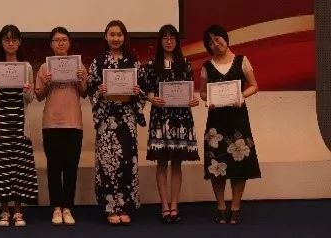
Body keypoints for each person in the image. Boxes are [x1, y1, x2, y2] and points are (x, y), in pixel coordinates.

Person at [86, 20, 145, 226]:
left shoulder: (133, 61)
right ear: (106, 36)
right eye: (112, 34)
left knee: (127, 160)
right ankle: (110, 207)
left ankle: (125, 206)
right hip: (107, 119)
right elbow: (90, 89)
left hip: (127, 118)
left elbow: (142, 89)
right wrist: (99, 91)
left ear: (124, 37)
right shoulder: (98, 61)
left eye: (119, 34)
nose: (116, 38)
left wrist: (137, 92)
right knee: (107, 162)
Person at [200, 24, 260, 225]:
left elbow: (254, 86)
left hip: (238, 120)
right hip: (216, 122)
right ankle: (220, 206)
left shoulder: (242, 61)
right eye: (210, 42)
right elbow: (202, 92)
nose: (215, 44)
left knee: (239, 164)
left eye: (217, 39)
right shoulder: (206, 66)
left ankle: (235, 207)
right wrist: (208, 100)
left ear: (225, 38)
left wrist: (241, 96)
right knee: (217, 165)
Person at [141, 24, 199, 223]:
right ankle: (164, 205)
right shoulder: (151, 65)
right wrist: (152, 98)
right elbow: (145, 91)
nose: (168, 41)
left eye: (172, 37)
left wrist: (193, 100)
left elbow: (190, 91)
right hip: (160, 118)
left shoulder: (186, 63)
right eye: (165, 38)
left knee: (176, 162)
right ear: (160, 41)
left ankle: (175, 205)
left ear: (177, 41)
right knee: (161, 161)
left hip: (181, 118)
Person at [0, 25, 38, 227]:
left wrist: (26, 91)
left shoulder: (26, 68)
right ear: (1, 43)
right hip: (2, 125)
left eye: (14, 39)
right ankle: (4, 211)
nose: (10, 43)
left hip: (20, 124)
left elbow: (30, 99)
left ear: (19, 42)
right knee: (2, 169)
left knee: (19, 168)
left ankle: (18, 210)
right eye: (7, 40)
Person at [35, 26, 87, 225]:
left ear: (69, 43)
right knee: (54, 167)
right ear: (51, 44)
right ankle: (56, 208)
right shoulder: (44, 68)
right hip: (51, 123)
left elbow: (84, 92)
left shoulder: (79, 65)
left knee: (71, 167)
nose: (61, 43)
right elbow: (39, 96)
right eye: (56, 40)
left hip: (74, 123)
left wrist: (81, 79)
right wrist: (47, 82)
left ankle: (68, 208)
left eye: (64, 39)